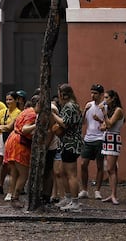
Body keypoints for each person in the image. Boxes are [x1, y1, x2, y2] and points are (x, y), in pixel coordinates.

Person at [52, 83, 84, 212]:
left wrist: (53, 115)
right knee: (63, 172)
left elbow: (64, 123)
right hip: (66, 143)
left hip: (71, 143)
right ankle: (69, 197)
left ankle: (75, 202)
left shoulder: (70, 106)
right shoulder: (71, 106)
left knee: (71, 174)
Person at [3, 95, 38, 204]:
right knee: (23, 174)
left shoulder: (26, 111)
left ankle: (13, 194)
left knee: (15, 172)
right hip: (19, 143)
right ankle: (15, 197)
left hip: (12, 140)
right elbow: (25, 129)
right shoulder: (32, 114)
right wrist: (37, 125)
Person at [79, 83, 105, 200]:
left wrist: (99, 119)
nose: (92, 95)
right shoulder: (88, 105)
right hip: (88, 138)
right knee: (83, 164)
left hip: (100, 138)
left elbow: (108, 123)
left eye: (95, 93)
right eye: (92, 92)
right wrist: (84, 111)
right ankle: (84, 190)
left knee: (100, 165)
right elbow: (83, 122)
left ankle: (97, 190)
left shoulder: (104, 106)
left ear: (100, 95)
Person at [98, 89, 124, 205]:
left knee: (110, 168)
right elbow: (104, 126)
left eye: (107, 98)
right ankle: (112, 194)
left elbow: (108, 124)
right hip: (107, 138)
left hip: (113, 138)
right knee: (111, 169)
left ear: (113, 98)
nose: (104, 100)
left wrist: (103, 113)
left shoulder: (118, 110)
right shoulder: (110, 110)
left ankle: (114, 195)